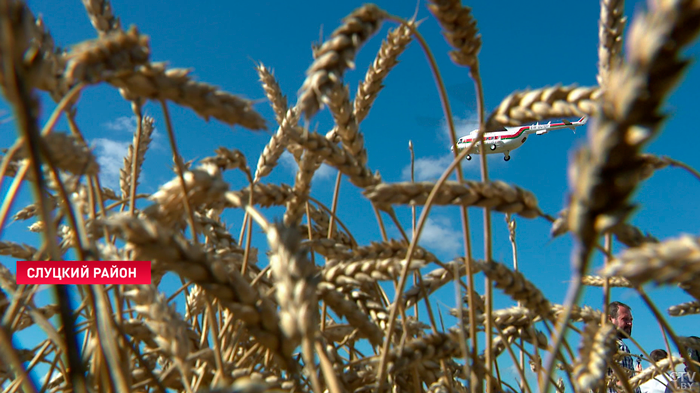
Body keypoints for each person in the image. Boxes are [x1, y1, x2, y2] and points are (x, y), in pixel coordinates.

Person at [608, 301, 642, 393]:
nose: (630, 323)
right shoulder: (618, 346)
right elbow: (622, 385)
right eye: (625, 319)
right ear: (610, 319)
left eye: (631, 320)